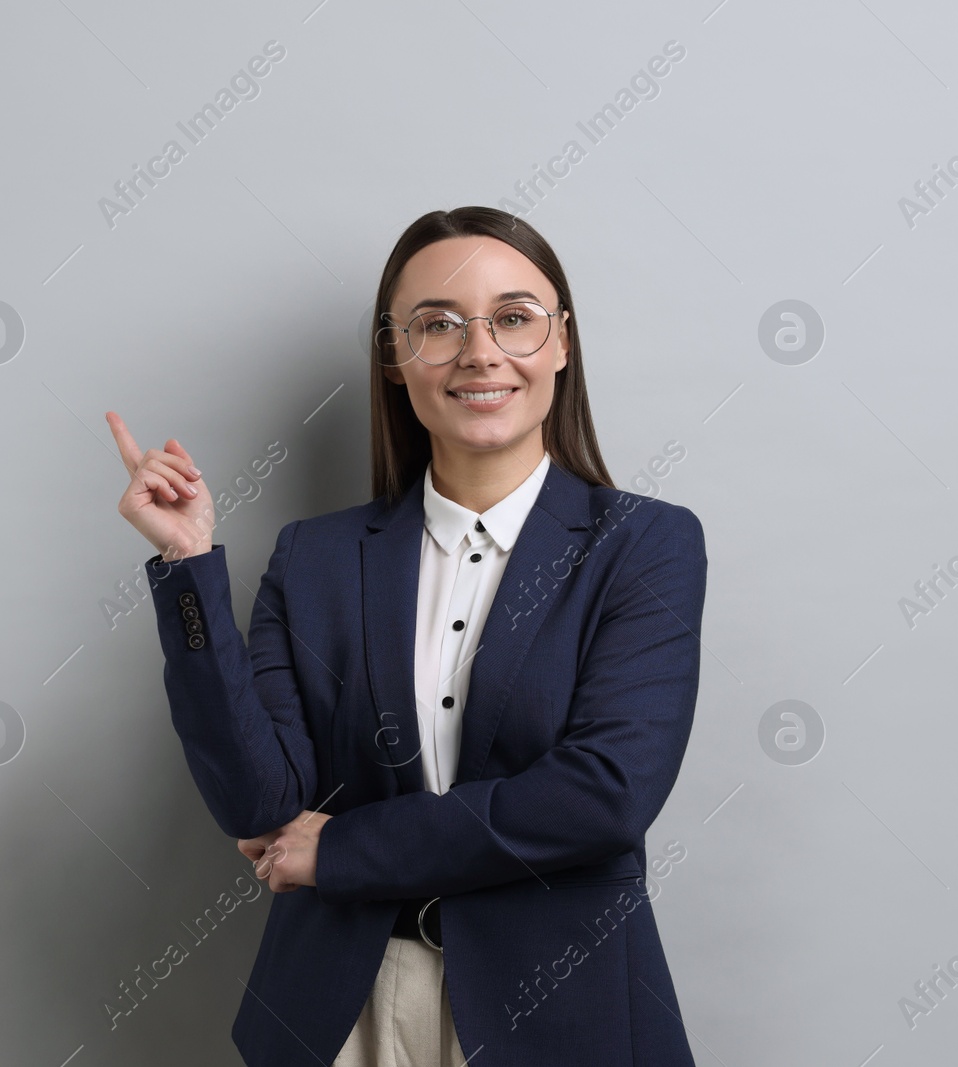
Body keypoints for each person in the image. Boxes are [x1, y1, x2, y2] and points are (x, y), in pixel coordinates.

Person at [106, 206, 707, 1066]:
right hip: (339, 1013)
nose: (479, 351)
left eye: (513, 317)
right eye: (437, 324)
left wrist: (345, 847)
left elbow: (603, 794)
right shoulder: (313, 556)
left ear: (562, 342)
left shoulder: (645, 545)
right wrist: (189, 566)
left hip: (558, 1014)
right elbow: (262, 805)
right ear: (394, 355)